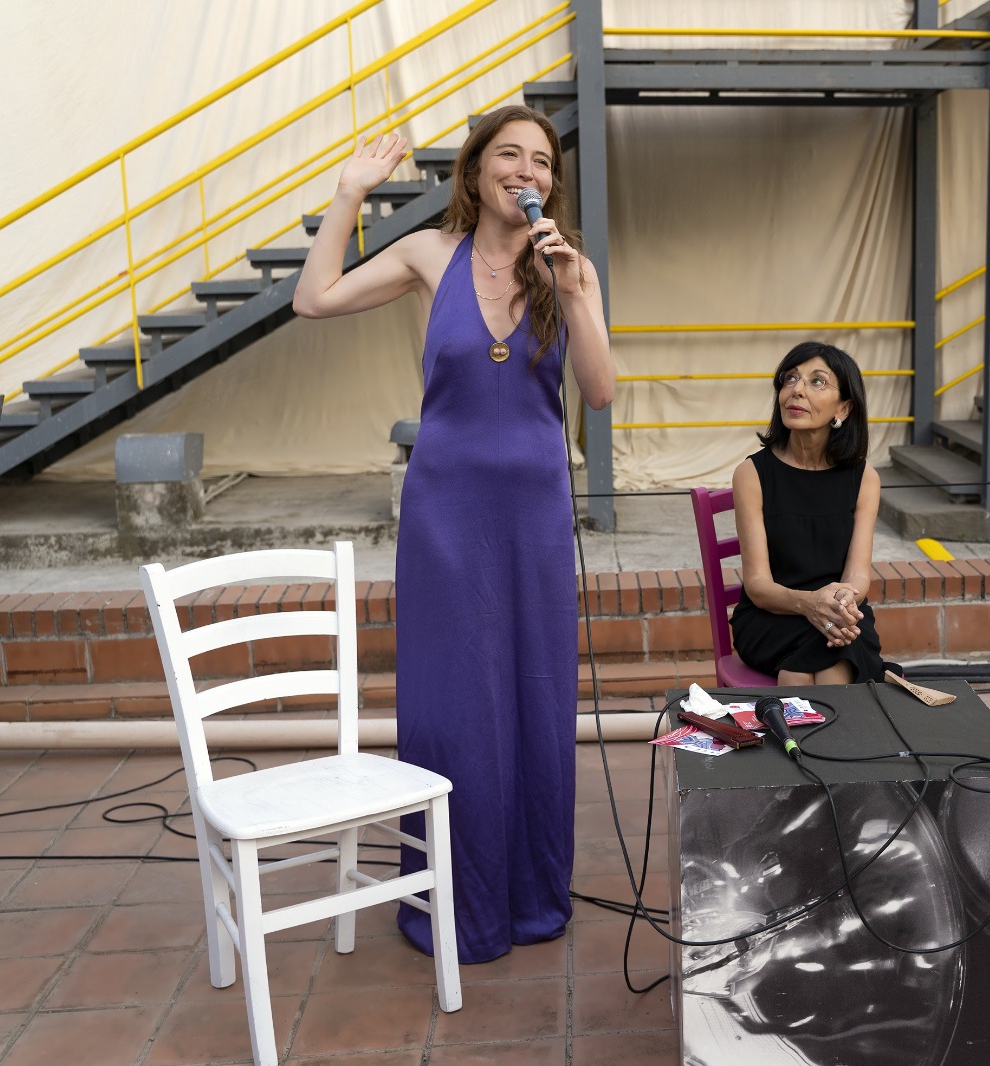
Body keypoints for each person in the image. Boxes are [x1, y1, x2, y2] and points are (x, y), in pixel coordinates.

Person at [292, 105, 613, 963]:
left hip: (536, 521)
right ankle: (455, 901)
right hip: (445, 517)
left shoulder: (566, 270)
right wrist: (348, 194)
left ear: (552, 183)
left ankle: (531, 896)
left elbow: (602, 391)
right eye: (508, 155)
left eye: (542, 162)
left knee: (535, 701)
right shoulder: (429, 254)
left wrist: (577, 293)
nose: (527, 170)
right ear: (475, 174)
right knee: (457, 706)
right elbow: (311, 299)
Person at [730, 342, 883, 686]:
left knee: (808, 667)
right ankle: (841, 738)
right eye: (790, 379)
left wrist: (841, 601)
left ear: (843, 408)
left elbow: (858, 575)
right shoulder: (752, 474)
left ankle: (796, 739)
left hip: (839, 615)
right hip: (770, 616)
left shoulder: (865, 479)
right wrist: (809, 604)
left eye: (817, 382)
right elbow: (757, 586)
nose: (796, 390)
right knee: (833, 658)